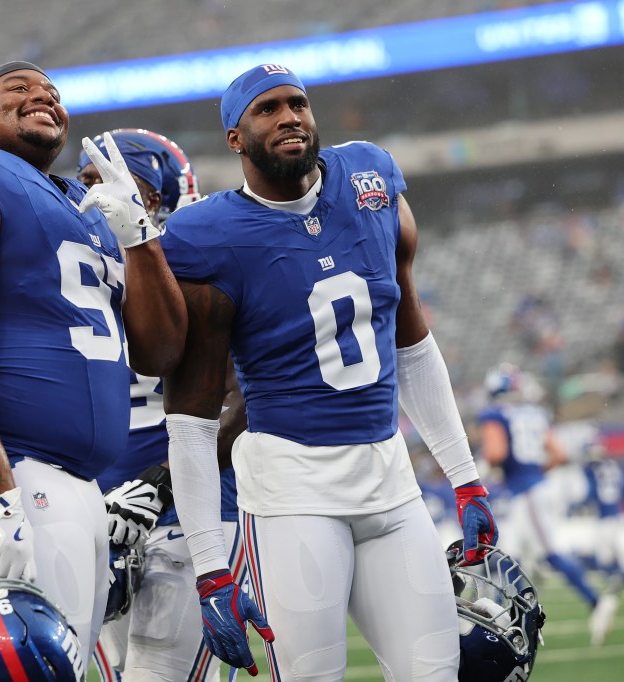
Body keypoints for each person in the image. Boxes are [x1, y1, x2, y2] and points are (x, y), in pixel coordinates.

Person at [159, 63, 498, 680]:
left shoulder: (369, 177)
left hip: (390, 479)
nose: (289, 116)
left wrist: (465, 478)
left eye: (298, 103)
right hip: (292, 490)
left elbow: (412, 339)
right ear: (235, 137)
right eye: (267, 109)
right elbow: (193, 415)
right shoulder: (207, 234)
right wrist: (210, 567)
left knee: (435, 673)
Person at [0, 61, 187, 669]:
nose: (42, 97)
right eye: (17, 90)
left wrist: (139, 236)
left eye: (51, 91)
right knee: (14, 667)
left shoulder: (82, 204)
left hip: (76, 480)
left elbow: (159, 353)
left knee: (69, 668)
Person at [77, 130, 244, 682]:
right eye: (89, 182)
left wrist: (158, 486)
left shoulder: (200, 266)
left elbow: (247, 399)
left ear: (166, 199)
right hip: (100, 514)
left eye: (126, 186)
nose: (102, 197)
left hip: (190, 507)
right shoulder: (73, 274)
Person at [477, 363, 618, 646]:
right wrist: (533, 471)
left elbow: (496, 453)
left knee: (548, 553)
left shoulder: (495, 414)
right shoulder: (533, 413)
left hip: (525, 492)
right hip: (534, 488)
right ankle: (514, 622)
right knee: (509, 558)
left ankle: (596, 601)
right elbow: (559, 453)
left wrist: (500, 469)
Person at [577, 443, 624, 603]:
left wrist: (578, 504)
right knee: (606, 558)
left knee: (605, 560)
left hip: (606, 519)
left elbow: (590, 491)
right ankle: (622, 585)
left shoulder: (594, 469)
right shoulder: (612, 466)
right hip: (613, 516)